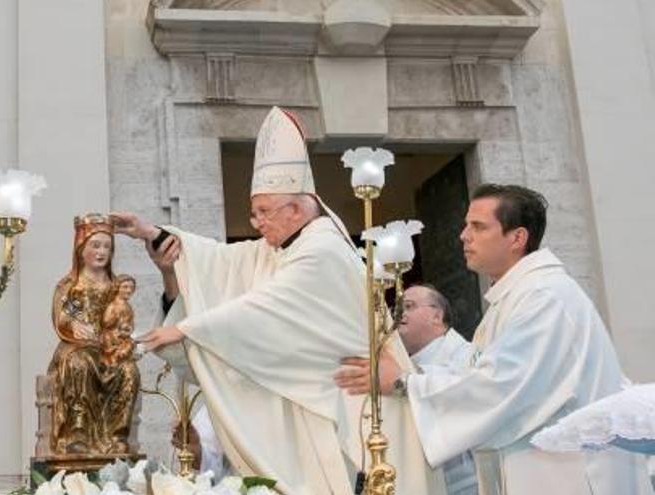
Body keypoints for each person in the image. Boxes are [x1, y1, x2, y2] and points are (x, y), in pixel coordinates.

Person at [113, 107, 445, 495]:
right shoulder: (283, 248)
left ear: (296, 208)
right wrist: (153, 233)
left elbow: (271, 305)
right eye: (253, 213)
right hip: (318, 410)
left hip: (351, 412)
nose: (256, 222)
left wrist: (186, 328)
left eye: (264, 212)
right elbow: (221, 260)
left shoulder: (323, 249)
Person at [334, 184, 654, 494]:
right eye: (465, 225)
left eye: (478, 226)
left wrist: (406, 383)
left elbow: (500, 384)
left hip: (569, 475)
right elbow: (476, 372)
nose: (464, 236)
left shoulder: (545, 297)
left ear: (517, 238)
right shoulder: (516, 298)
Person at [47, 214, 140, 455]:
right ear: (81, 248)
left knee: (129, 370)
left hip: (107, 346)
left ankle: (117, 435)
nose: (101, 252)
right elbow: (64, 316)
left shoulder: (114, 286)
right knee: (80, 363)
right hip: (78, 346)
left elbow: (123, 314)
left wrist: (122, 333)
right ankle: (77, 431)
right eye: (95, 245)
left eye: (107, 247)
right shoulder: (74, 285)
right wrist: (74, 324)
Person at [397, 285, 477, 495]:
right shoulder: (400, 363)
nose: (400, 314)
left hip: (467, 481)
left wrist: (403, 380)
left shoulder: (468, 355)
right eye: (396, 308)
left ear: (436, 315)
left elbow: (465, 391)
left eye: (408, 306)